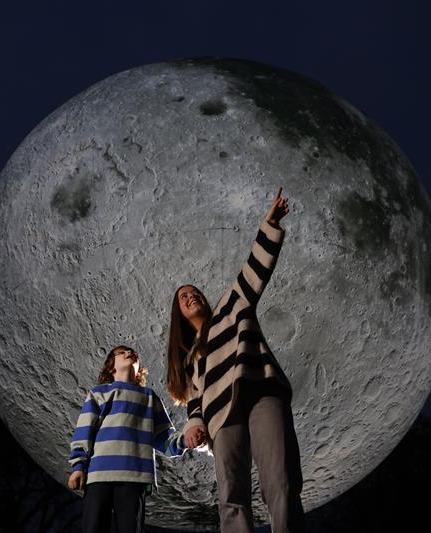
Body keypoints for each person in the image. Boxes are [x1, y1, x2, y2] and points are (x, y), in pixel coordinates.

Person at [166, 187, 305, 532]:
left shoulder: (232, 304)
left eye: (194, 292)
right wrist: (195, 426)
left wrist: (269, 225)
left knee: (280, 481)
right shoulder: (192, 358)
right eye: (183, 297)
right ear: (179, 316)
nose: (191, 296)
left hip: (260, 391)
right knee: (232, 497)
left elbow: (255, 269)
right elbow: (195, 400)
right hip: (220, 416)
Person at [69, 345, 188, 533]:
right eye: (121, 352)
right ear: (111, 367)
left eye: (132, 353)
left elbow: (163, 438)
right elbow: (84, 432)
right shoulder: (99, 394)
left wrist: (185, 441)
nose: (129, 353)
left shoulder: (149, 397)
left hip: (134, 477)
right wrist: (78, 467)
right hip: (99, 475)